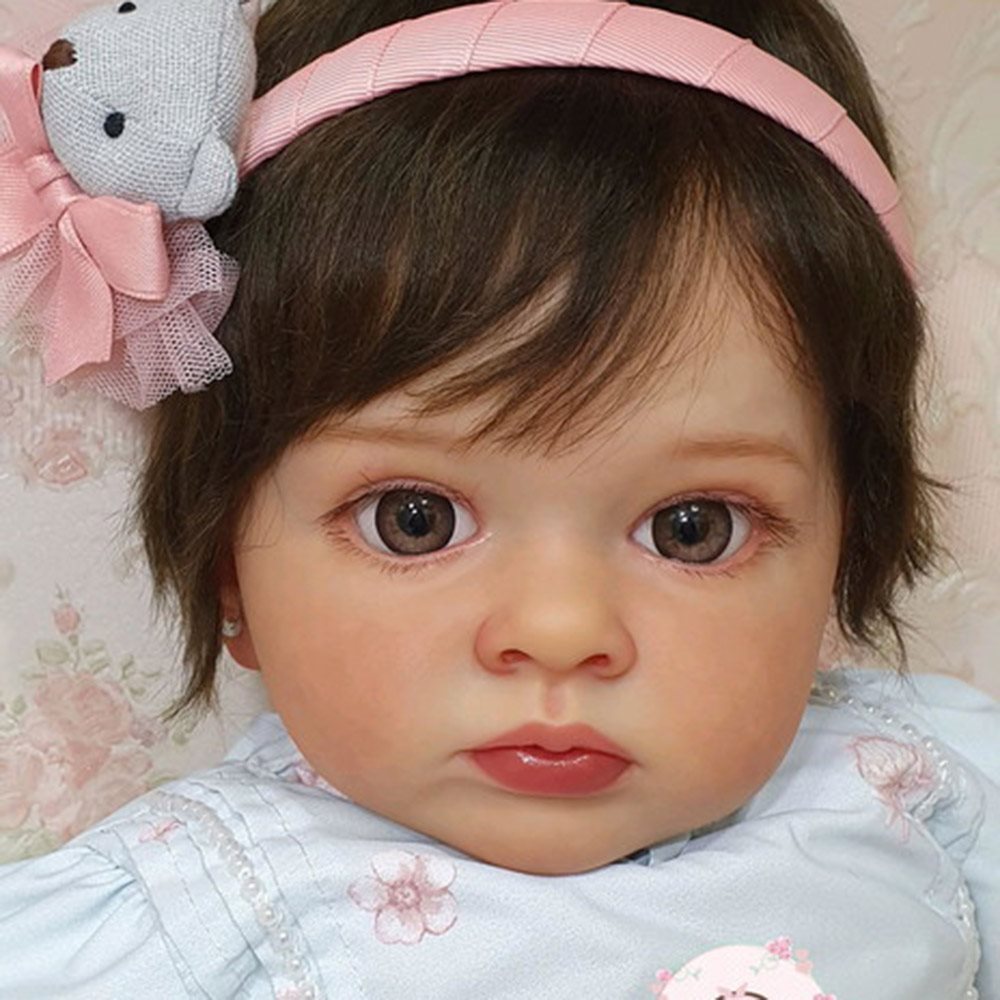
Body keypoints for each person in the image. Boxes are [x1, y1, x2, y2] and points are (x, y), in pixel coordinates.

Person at [0, 1, 997, 997]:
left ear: (844, 541)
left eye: (692, 529)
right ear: (229, 567)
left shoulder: (928, 784)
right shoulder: (188, 918)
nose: (560, 631)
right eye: (415, 520)